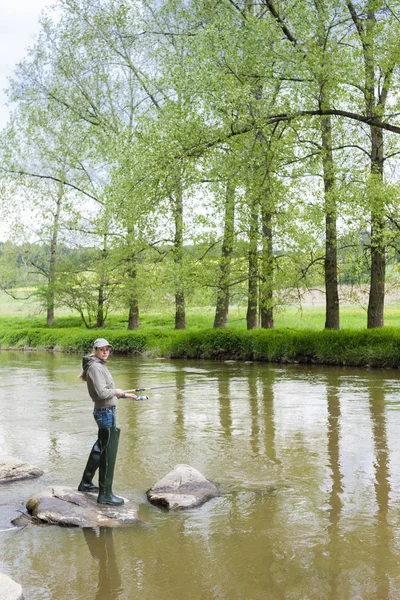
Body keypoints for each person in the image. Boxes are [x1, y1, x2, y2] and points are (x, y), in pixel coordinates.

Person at [78, 338, 137, 505]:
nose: (105, 352)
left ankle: (86, 483)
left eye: (107, 349)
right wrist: (116, 392)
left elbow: (107, 392)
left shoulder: (97, 365)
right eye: (101, 349)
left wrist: (125, 394)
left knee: (101, 447)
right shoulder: (96, 367)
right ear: (95, 350)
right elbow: (102, 393)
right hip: (105, 413)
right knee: (107, 452)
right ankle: (105, 494)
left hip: (106, 411)